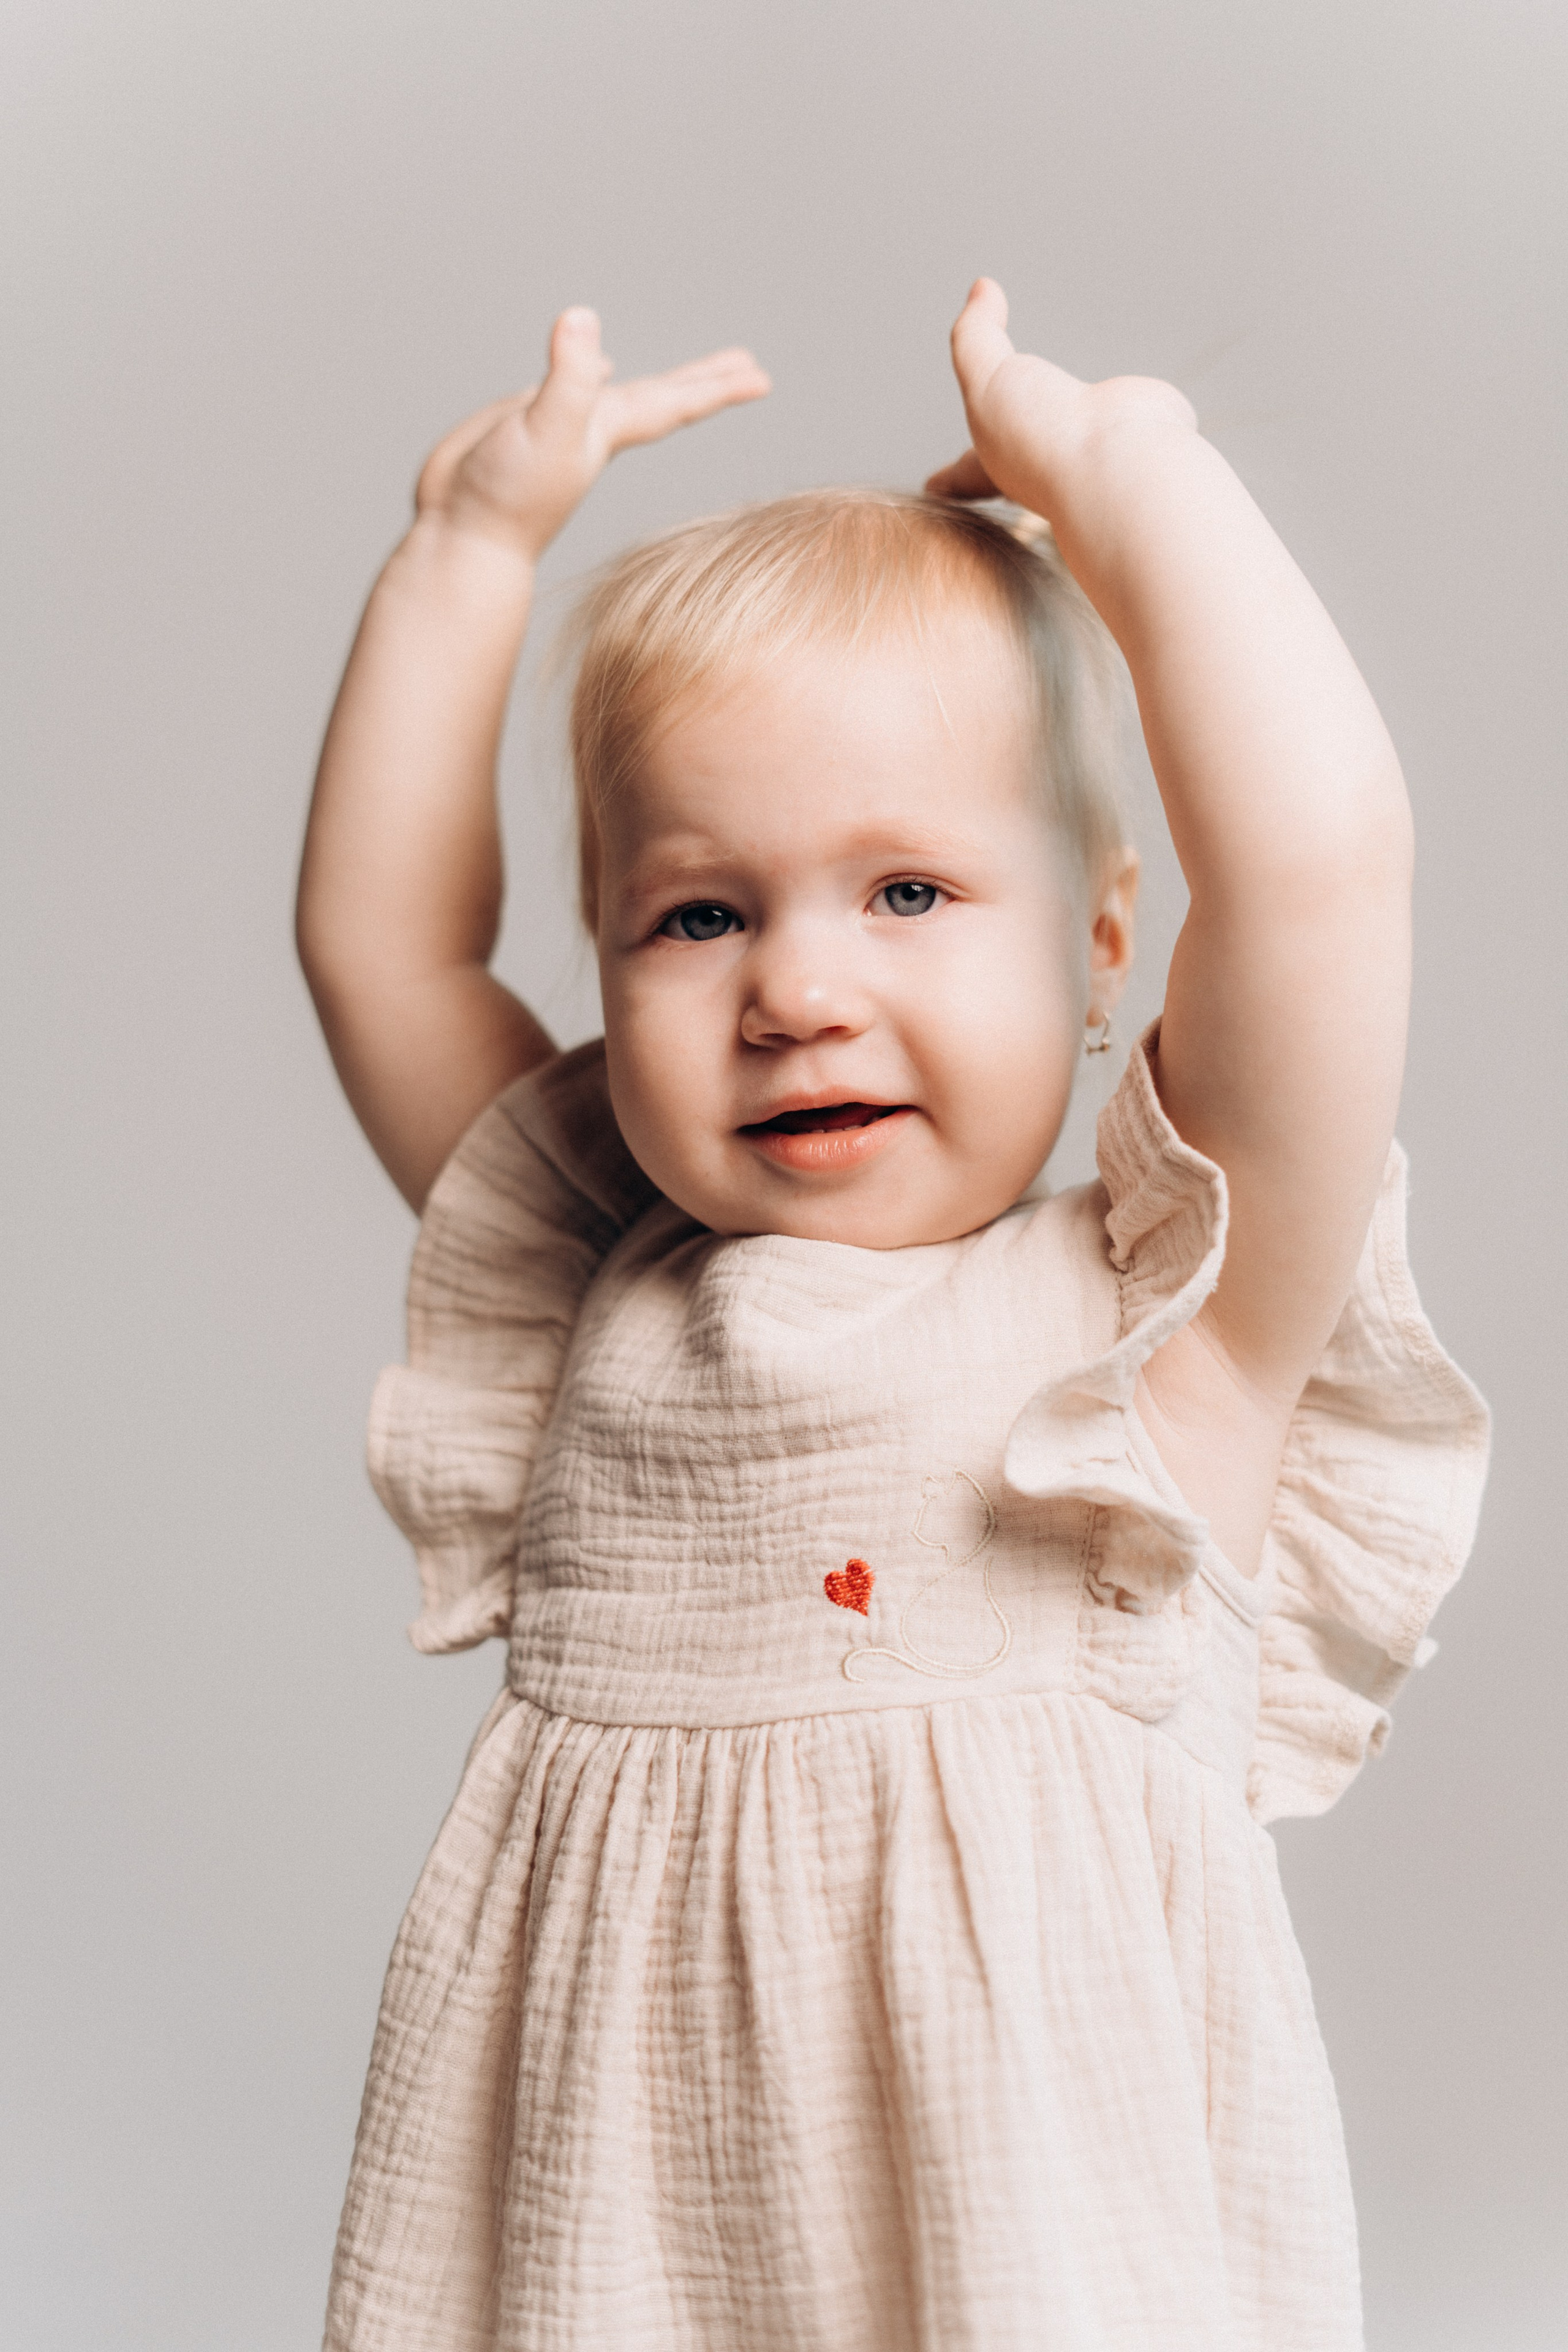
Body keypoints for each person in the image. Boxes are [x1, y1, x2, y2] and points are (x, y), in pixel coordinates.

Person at [298, 282, 1489, 2351]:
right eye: (699, 913)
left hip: (1033, 2259)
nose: (797, 989)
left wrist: (1135, 483)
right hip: (614, 2254)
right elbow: (383, 952)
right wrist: (466, 554)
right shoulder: (596, 1281)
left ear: (1103, 946)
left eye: (909, 893)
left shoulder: (1165, 1334)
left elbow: (1321, 870)